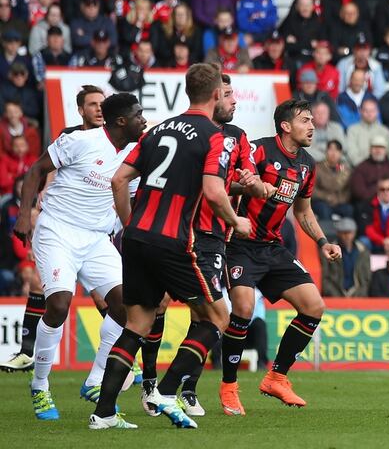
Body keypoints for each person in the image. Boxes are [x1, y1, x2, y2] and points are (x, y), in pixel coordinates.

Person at [90, 64, 252, 430]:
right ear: (215, 95)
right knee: (217, 317)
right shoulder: (214, 136)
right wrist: (235, 220)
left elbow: (119, 179)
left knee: (136, 325)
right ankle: (164, 391)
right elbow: (213, 191)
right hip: (172, 240)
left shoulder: (159, 128)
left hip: (136, 238)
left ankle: (103, 413)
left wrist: (132, 225)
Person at [139, 73, 269, 417]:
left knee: (206, 315)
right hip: (178, 230)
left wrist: (250, 183)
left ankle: (187, 389)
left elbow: (248, 179)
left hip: (211, 237)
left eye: (233, 94)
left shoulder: (238, 138)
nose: (232, 100)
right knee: (164, 305)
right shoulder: (192, 132)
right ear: (214, 96)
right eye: (226, 94)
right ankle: (153, 383)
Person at [12, 93, 144, 420]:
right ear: (121, 121)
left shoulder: (134, 155)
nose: (144, 120)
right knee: (58, 304)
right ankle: (40, 387)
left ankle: (95, 380)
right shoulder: (79, 141)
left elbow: (128, 201)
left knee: (127, 307)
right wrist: (25, 214)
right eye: (138, 115)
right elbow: (35, 170)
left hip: (97, 238)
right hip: (58, 229)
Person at [218, 99, 341, 415]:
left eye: (312, 119)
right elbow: (224, 185)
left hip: (272, 248)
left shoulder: (307, 165)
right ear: (285, 126)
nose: (312, 125)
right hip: (240, 244)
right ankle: (229, 387)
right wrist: (249, 189)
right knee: (243, 308)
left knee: (314, 306)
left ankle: (276, 376)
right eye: (304, 120)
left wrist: (323, 241)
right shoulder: (258, 151)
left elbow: (304, 211)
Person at [312, 140, 353, 221]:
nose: (333, 153)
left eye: (337, 150)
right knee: (323, 209)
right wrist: (326, 197)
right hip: (322, 202)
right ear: (326, 152)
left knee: (349, 209)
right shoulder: (317, 168)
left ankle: (347, 233)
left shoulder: (346, 170)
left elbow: (349, 190)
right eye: (330, 149)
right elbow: (312, 189)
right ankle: (327, 234)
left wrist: (338, 199)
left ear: (340, 153)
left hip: (340, 202)